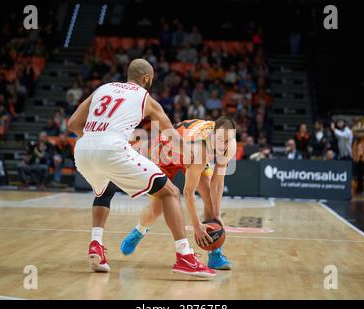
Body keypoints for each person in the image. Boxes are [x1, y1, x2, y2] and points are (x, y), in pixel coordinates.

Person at [68, 58, 216, 278]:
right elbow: (170, 134)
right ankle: (184, 257)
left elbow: (72, 124)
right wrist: (191, 153)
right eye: (152, 78)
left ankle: (96, 245)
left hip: (83, 150)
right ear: (146, 78)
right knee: (170, 193)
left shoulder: (103, 88)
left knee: (104, 191)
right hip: (111, 147)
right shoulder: (145, 98)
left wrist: (94, 141)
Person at [121, 117, 237, 270]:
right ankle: (140, 229)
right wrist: (196, 226)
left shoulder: (229, 146)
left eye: (228, 140)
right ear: (213, 135)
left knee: (208, 194)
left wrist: (217, 215)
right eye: (221, 140)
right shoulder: (200, 150)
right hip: (164, 151)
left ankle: (215, 253)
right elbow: (188, 193)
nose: (224, 145)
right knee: (156, 210)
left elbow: (217, 182)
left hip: (187, 147)